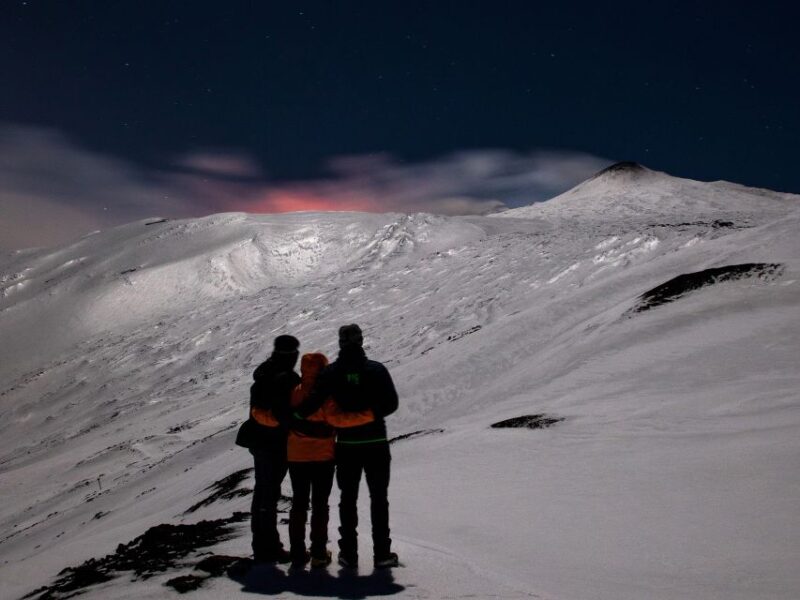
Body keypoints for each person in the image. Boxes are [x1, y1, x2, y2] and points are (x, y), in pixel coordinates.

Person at [295, 324, 399, 569]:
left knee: (347, 499)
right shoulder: (376, 369)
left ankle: (348, 554)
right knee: (379, 499)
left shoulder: (331, 373)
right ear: (361, 341)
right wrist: (369, 415)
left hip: (347, 445)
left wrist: (293, 419)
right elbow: (391, 403)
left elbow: (312, 404)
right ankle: (382, 553)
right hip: (376, 443)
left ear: (341, 343)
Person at [235, 334, 300, 564]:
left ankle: (263, 546)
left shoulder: (263, 376)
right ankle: (268, 548)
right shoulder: (288, 379)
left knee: (264, 493)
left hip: (260, 442)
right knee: (268, 494)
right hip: (276, 444)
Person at [286, 352, 336, 569]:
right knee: (319, 504)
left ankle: (297, 552)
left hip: (296, 455)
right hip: (323, 456)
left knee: (298, 503)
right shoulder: (328, 394)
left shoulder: (294, 392)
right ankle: (318, 553)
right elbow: (335, 419)